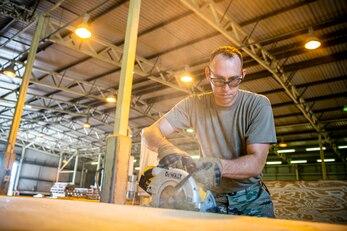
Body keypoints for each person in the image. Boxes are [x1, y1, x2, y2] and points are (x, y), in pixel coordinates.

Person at [142, 46, 277, 218]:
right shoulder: (193, 105)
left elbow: (256, 163)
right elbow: (148, 133)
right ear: (208, 74)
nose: (226, 89)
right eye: (219, 80)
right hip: (210, 198)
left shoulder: (257, 105)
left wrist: (217, 167)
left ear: (243, 74)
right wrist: (166, 148)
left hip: (250, 200)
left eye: (234, 80)